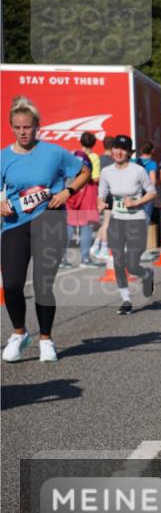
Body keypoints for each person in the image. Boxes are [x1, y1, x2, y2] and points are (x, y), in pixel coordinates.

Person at [1, 96, 91, 362]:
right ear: (11, 127)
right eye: (17, 127)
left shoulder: (54, 152)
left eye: (27, 127)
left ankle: (46, 339)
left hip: (49, 220)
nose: (22, 132)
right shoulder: (4, 156)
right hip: (14, 224)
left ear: (37, 126)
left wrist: (67, 191)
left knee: (43, 283)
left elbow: (84, 172)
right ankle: (19, 334)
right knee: (13, 284)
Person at [98, 135, 156, 315]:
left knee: (131, 265)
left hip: (136, 221)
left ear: (130, 153)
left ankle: (146, 274)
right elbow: (102, 194)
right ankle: (126, 299)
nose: (118, 152)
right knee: (117, 261)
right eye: (116, 148)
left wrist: (136, 203)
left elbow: (152, 193)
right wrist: (100, 203)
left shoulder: (138, 170)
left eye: (123, 149)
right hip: (116, 220)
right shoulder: (106, 172)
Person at [62, 132, 101, 268]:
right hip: (87, 192)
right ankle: (85, 259)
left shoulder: (73, 154)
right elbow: (95, 178)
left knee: (69, 225)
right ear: (94, 143)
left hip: (72, 192)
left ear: (81, 142)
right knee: (86, 226)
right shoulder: (94, 157)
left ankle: (62, 259)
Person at [134, 142, 160, 261]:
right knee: (145, 222)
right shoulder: (152, 164)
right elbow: (153, 181)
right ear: (152, 151)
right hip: (146, 196)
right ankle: (142, 251)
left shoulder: (135, 161)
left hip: (135, 194)